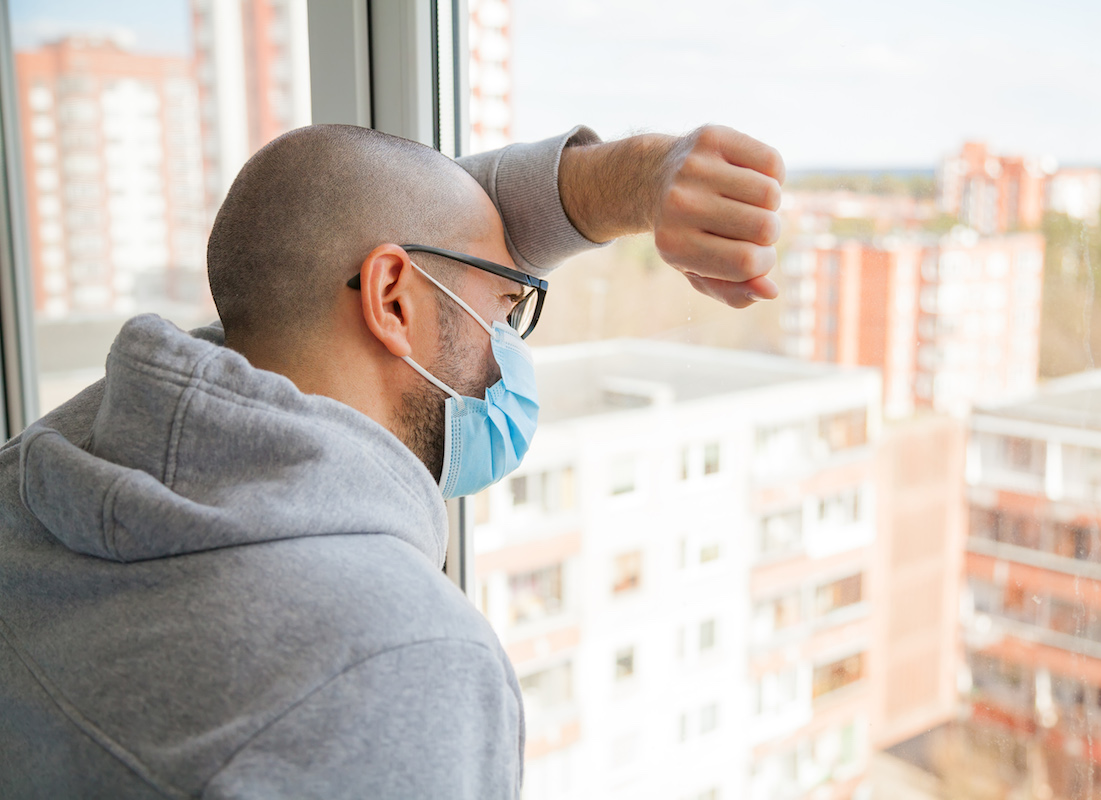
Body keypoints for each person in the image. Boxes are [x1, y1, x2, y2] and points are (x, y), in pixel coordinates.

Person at [0, 123, 783, 798]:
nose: (507, 350)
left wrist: (643, 181)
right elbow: (365, 216)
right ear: (394, 301)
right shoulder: (401, 659)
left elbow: (320, 229)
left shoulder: (45, 471)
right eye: (507, 305)